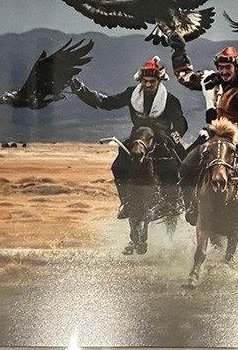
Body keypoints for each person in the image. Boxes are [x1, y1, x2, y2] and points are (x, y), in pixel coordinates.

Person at [170, 35, 238, 229]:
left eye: (228, 67)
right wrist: (178, 51)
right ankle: (191, 206)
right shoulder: (208, 80)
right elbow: (185, 77)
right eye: (221, 67)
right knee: (186, 166)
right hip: (211, 135)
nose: (224, 71)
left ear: (236, 67)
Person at [70, 57, 187, 228]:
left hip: (162, 139)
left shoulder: (171, 100)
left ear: (159, 80)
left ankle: (176, 202)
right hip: (137, 138)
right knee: (117, 166)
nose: (148, 84)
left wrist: (173, 137)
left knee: (183, 164)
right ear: (140, 80)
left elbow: (181, 124)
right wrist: (81, 91)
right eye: (145, 81)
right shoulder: (131, 94)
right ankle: (126, 202)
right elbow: (106, 102)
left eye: (152, 81)